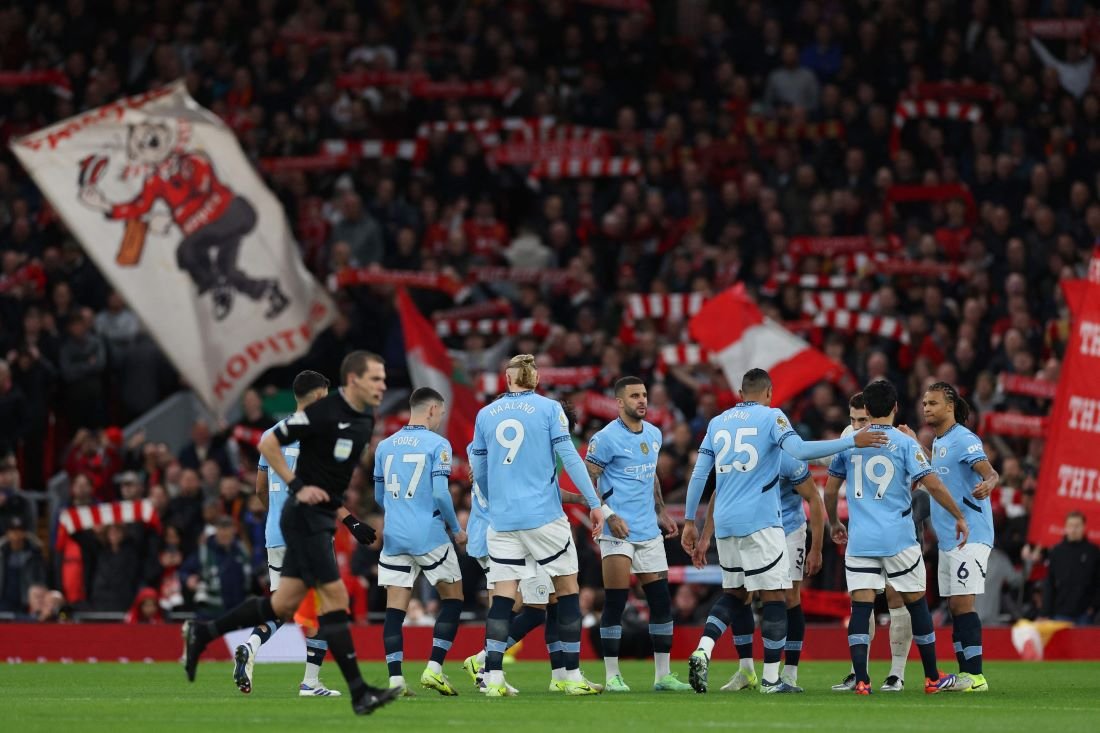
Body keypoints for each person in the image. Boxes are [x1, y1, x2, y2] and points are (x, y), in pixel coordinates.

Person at [183, 351, 399, 717]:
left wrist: (348, 520)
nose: (382, 386)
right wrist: (298, 487)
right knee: (333, 601)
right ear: (350, 382)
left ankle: (203, 633)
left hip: (301, 524)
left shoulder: (357, 423)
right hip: (305, 524)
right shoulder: (323, 419)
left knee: (282, 605)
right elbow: (273, 451)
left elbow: (311, 487)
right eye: (376, 378)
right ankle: (349, 691)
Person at [681, 368, 886, 694]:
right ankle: (773, 680)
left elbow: (699, 475)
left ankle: (704, 648)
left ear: (740, 392)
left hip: (726, 522)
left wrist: (690, 521)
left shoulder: (717, 422)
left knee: (735, 595)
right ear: (768, 393)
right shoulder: (772, 417)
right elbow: (801, 451)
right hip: (761, 522)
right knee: (776, 596)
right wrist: (851, 440)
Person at [468, 354, 605, 696]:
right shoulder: (548, 409)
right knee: (567, 588)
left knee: (503, 597)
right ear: (535, 379)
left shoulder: (485, 414)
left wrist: (495, 499)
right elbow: (570, 457)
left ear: (508, 379)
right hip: (543, 515)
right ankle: (570, 676)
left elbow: (479, 472)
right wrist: (594, 503)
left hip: (502, 520)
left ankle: (494, 678)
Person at [824, 379, 967, 696]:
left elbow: (831, 490)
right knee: (916, 604)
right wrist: (958, 516)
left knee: (861, 609)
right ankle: (931, 677)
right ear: (895, 408)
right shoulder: (904, 444)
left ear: (867, 410)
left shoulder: (851, 443)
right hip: (898, 539)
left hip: (861, 539)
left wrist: (833, 521)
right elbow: (933, 485)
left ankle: (861, 679)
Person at [233, 370, 342, 697]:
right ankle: (310, 681)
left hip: (277, 534)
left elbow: (260, 489)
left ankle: (251, 645)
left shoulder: (271, 434)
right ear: (320, 396)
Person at [586, 376, 691, 692]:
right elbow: (588, 479)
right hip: (617, 530)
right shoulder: (605, 439)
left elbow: (651, 475)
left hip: (647, 531)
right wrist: (608, 515)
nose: (642, 400)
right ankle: (612, 675)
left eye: (644, 395)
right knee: (616, 601)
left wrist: (661, 511)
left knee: (661, 602)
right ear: (619, 402)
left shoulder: (656, 434)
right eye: (634, 396)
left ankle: (662, 676)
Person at [695, 448, 825, 692]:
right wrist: (705, 535)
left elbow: (814, 499)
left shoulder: (788, 457)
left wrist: (816, 548)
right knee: (742, 594)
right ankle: (747, 670)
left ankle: (789, 673)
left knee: (788, 597)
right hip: (755, 531)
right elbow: (718, 493)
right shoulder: (749, 453)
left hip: (788, 531)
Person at [374, 387, 467, 697]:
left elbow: (379, 496)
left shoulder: (384, 446)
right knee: (453, 599)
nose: (440, 419)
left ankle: (396, 680)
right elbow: (441, 493)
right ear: (431, 410)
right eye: (440, 413)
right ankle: (434, 669)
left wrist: (399, 513)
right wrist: (455, 528)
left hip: (394, 536)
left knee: (394, 611)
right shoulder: (438, 444)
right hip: (429, 535)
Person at [831, 393, 921, 693]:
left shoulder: (898, 435)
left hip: (897, 524)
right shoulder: (849, 437)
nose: (857, 424)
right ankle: (860, 672)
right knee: (863, 602)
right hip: (864, 530)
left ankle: (897, 673)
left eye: (862, 419)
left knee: (897, 596)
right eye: (853, 419)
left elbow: (924, 475)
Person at [915, 382, 1000, 693]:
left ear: (949, 406)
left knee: (964, 604)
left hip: (972, 534)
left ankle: (975, 676)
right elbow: (938, 473)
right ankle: (965, 673)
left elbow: (988, 470)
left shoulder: (964, 438)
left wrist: (991, 481)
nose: (926, 408)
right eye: (924, 403)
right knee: (954, 606)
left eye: (933, 403)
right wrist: (917, 447)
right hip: (949, 539)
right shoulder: (940, 442)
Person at [1041, 512, 1100, 625]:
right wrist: (1045, 612)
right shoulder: (1056, 552)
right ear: (1066, 528)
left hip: (1085, 613)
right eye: (1070, 526)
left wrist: (1094, 606)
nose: (1074, 529)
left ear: (1084, 527)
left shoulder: (1093, 552)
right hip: (1060, 612)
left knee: (1083, 643)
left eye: (1077, 526)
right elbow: (1049, 583)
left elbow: (1098, 582)